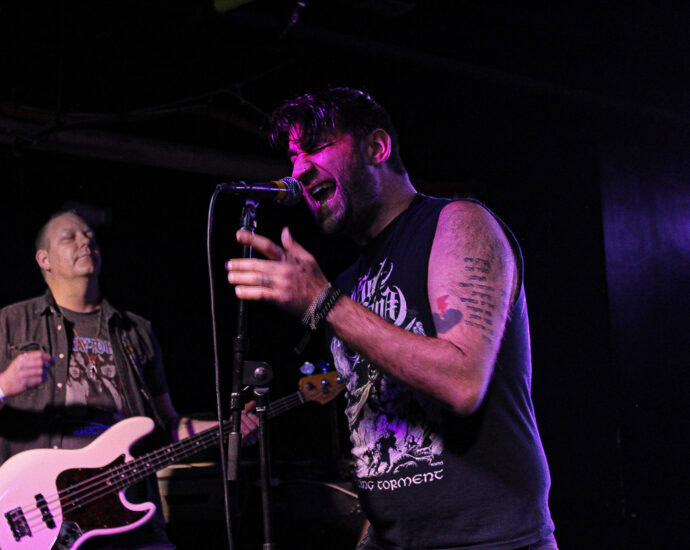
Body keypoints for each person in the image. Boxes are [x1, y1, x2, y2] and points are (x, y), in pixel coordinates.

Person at [226, 87, 557, 549]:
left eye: (316, 147)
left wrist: (322, 301)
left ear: (377, 148)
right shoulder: (348, 281)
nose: (298, 170)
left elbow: (463, 382)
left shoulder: (458, 224)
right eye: (294, 156)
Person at [0, 210, 258, 549]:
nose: (85, 241)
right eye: (70, 237)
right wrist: (4, 385)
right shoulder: (11, 324)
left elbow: (166, 426)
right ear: (44, 259)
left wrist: (229, 428)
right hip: (40, 519)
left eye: (89, 235)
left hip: (130, 519)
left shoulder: (136, 331)